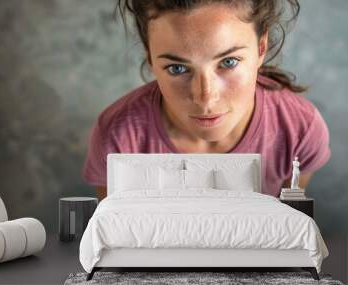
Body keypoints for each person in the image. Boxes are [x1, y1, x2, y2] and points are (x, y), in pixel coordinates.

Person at [82, 0, 331, 202]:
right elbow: (116, 239)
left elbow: (288, 233)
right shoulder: (118, 136)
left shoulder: (299, 129)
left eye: (228, 62)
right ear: (150, 58)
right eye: (177, 68)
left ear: (261, 48)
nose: (205, 97)